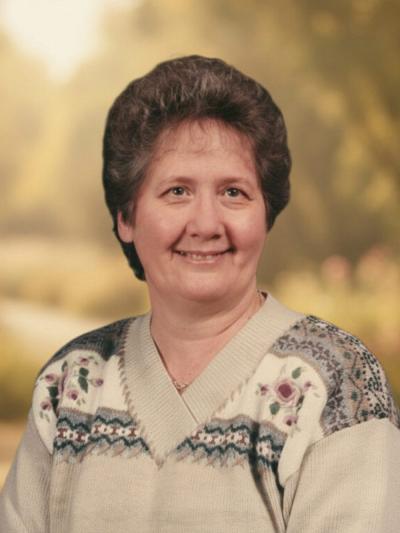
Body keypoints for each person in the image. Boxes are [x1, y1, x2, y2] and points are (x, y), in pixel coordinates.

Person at [0, 55, 399, 533]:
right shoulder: (70, 384)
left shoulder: (334, 384)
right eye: (177, 191)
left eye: (233, 192)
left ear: (265, 214)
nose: (207, 224)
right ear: (126, 218)